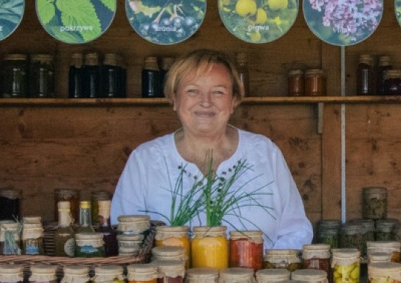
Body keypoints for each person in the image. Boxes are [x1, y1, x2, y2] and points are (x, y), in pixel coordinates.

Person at [111, 49, 312, 249]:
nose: (205, 102)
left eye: (218, 92)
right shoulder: (145, 160)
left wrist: (268, 273)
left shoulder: (264, 153)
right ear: (174, 99)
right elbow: (126, 238)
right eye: (192, 91)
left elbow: (295, 230)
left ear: (233, 100)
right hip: (168, 280)